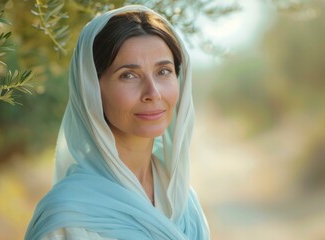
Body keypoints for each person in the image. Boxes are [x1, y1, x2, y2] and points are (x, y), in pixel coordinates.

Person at [25, 5, 210, 240]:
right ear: (91, 89)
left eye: (163, 71)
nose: (152, 93)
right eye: (128, 75)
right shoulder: (65, 220)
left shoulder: (185, 203)